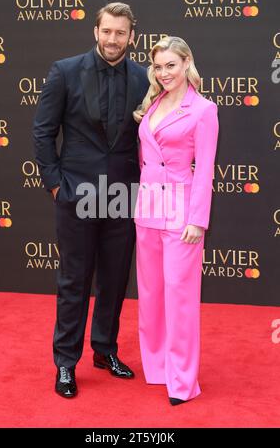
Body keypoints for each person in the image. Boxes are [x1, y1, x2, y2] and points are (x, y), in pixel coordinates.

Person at [33, 2, 149, 398]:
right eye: (107, 31)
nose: (113, 39)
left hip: (123, 195)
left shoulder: (143, 77)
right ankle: (66, 362)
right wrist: (54, 184)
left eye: (121, 32)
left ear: (131, 36)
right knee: (74, 281)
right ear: (95, 32)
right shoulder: (65, 72)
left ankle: (104, 349)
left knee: (115, 280)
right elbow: (43, 132)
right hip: (76, 193)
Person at [133, 37, 219, 405]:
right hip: (148, 209)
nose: (164, 72)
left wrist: (197, 220)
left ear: (186, 63)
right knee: (151, 294)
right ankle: (157, 368)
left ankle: (182, 382)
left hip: (182, 211)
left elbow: (205, 170)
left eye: (171, 65)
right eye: (158, 66)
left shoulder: (203, 109)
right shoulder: (152, 104)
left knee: (180, 298)